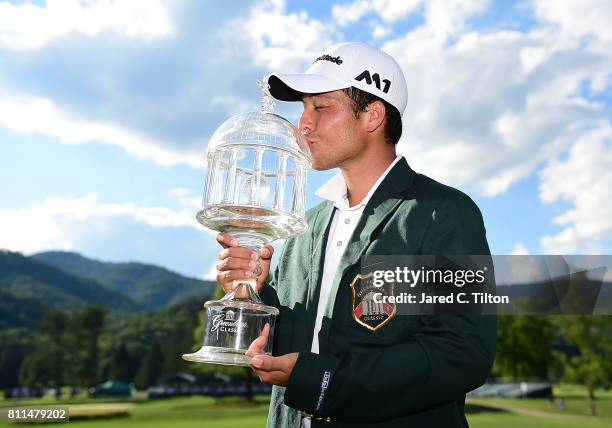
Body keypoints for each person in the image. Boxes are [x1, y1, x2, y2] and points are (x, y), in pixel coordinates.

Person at [216, 42, 497, 427]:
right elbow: (290, 343)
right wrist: (255, 294)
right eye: (303, 108)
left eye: (321, 107)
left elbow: (461, 354)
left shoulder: (443, 213)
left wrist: (322, 382)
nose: (303, 124)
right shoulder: (305, 223)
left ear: (372, 116)